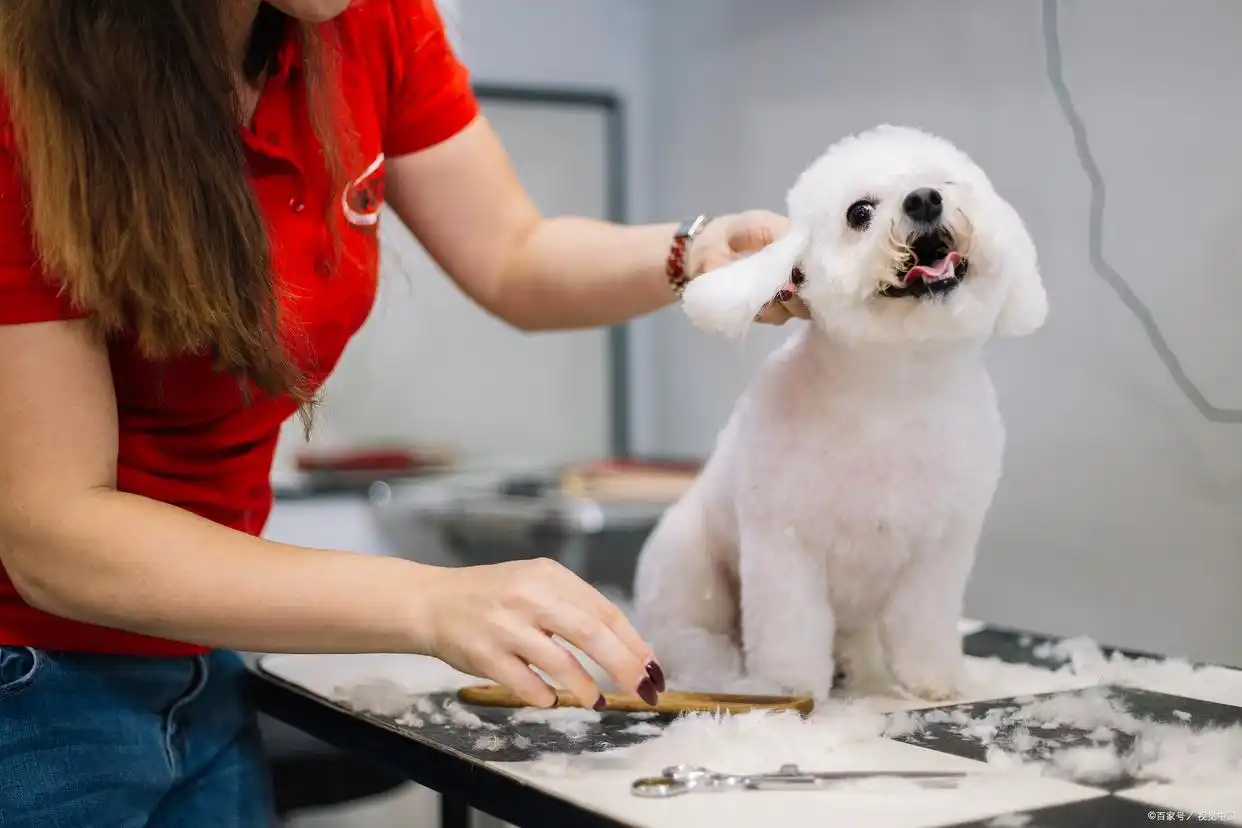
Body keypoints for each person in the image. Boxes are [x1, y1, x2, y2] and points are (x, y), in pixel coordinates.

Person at [0, 1, 808, 824]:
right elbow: (53, 533)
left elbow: (511, 252)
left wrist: (692, 253)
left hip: (205, 655)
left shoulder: (369, 20)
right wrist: (430, 603)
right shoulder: (22, 89)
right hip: (28, 682)